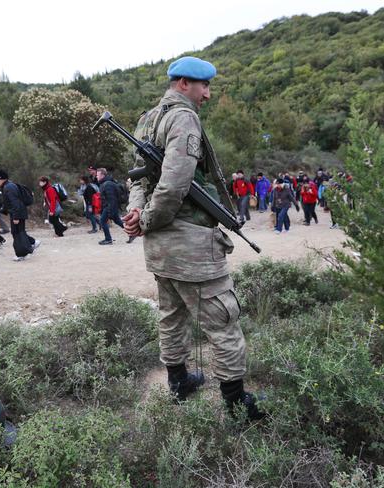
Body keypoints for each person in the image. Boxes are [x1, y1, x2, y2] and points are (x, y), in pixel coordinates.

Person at [122, 56, 263, 420]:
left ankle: (179, 381)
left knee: (171, 315)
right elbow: (173, 185)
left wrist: (137, 215)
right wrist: (147, 218)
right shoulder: (183, 118)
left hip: (160, 249)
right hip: (192, 247)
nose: (208, 94)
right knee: (223, 320)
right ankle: (235, 405)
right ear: (184, 83)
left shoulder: (146, 119)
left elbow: (137, 181)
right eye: (204, 86)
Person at [0, 170, 39, 262]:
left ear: (2, 179)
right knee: (19, 232)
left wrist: (16, 217)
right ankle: (32, 243)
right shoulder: (8, 186)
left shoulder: (8, 187)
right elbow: (10, 202)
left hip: (18, 214)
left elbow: (16, 203)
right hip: (19, 213)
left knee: (17, 233)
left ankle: (21, 254)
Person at [97, 167, 125, 245]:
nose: (96, 177)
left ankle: (108, 239)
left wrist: (109, 210)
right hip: (110, 206)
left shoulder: (107, 184)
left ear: (102, 175)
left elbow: (111, 199)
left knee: (102, 221)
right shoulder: (105, 183)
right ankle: (131, 233)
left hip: (110, 206)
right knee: (118, 221)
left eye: (98, 175)